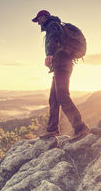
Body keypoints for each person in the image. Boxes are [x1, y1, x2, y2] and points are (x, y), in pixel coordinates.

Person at [32, 10, 90, 141]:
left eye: (39, 19)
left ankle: (80, 128)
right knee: (53, 99)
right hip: (61, 65)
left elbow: (54, 38)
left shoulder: (52, 25)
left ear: (44, 17)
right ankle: (52, 130)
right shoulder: (55, 25)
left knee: (62, 96)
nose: (38, 23)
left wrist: (49, 54)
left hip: (62, 64)